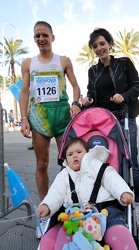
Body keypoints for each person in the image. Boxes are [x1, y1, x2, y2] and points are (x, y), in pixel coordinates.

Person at [82, 28, 139, 228]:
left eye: (102, 44)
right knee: (109, 159)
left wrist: (124, 96)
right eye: (95, 46)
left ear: (109, 44)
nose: (99, 48)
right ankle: (113, 196)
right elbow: (91, 92)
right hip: (104, 123)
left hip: (125, 118)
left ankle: (138, 202)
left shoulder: (124, 63)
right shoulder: (93, 70)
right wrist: (87, 100)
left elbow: (137, 85)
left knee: (131, 160)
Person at [37, 138, 137, 250]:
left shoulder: (96, 165)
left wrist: (123, 192)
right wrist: (47, 205)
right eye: (70, 154)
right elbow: (55, 193)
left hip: (105, 211)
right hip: (75, 216)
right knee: (64, 233)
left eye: (79, 152)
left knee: (118, 232)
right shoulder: (64, 175)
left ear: (87, 153)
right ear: (65, 159)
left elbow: (112, 179)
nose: (75, 156)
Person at [19, 21, 81, 202]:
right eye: (37, 36)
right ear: (34, 39)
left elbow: (76, 86)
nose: (41, 39)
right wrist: (24, 119)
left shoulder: (63, 61)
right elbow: (24, 92)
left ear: (52, 37)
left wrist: (76, 103)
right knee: (41, 163)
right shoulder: (28, 63)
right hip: (39, 119)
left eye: (45, 35)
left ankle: (74, 202)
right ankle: (45, 205)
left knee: (70, 162)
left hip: (62, 117)